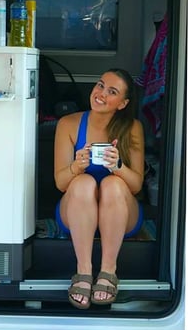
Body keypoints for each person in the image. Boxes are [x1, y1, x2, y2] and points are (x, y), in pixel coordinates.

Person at [54, 68, 145, 309]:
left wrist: (117, 166)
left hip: (121, 213)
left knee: (112, 184)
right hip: (75, 211)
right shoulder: (68, 124)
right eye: (100, 85)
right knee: (83, 182)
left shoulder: (132, 127)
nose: (101, 93)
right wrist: (76, 166)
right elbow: (61, 183)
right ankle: (83, 272)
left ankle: (108, 271)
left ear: (123, 103)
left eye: (112, 91)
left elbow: (135, 186)